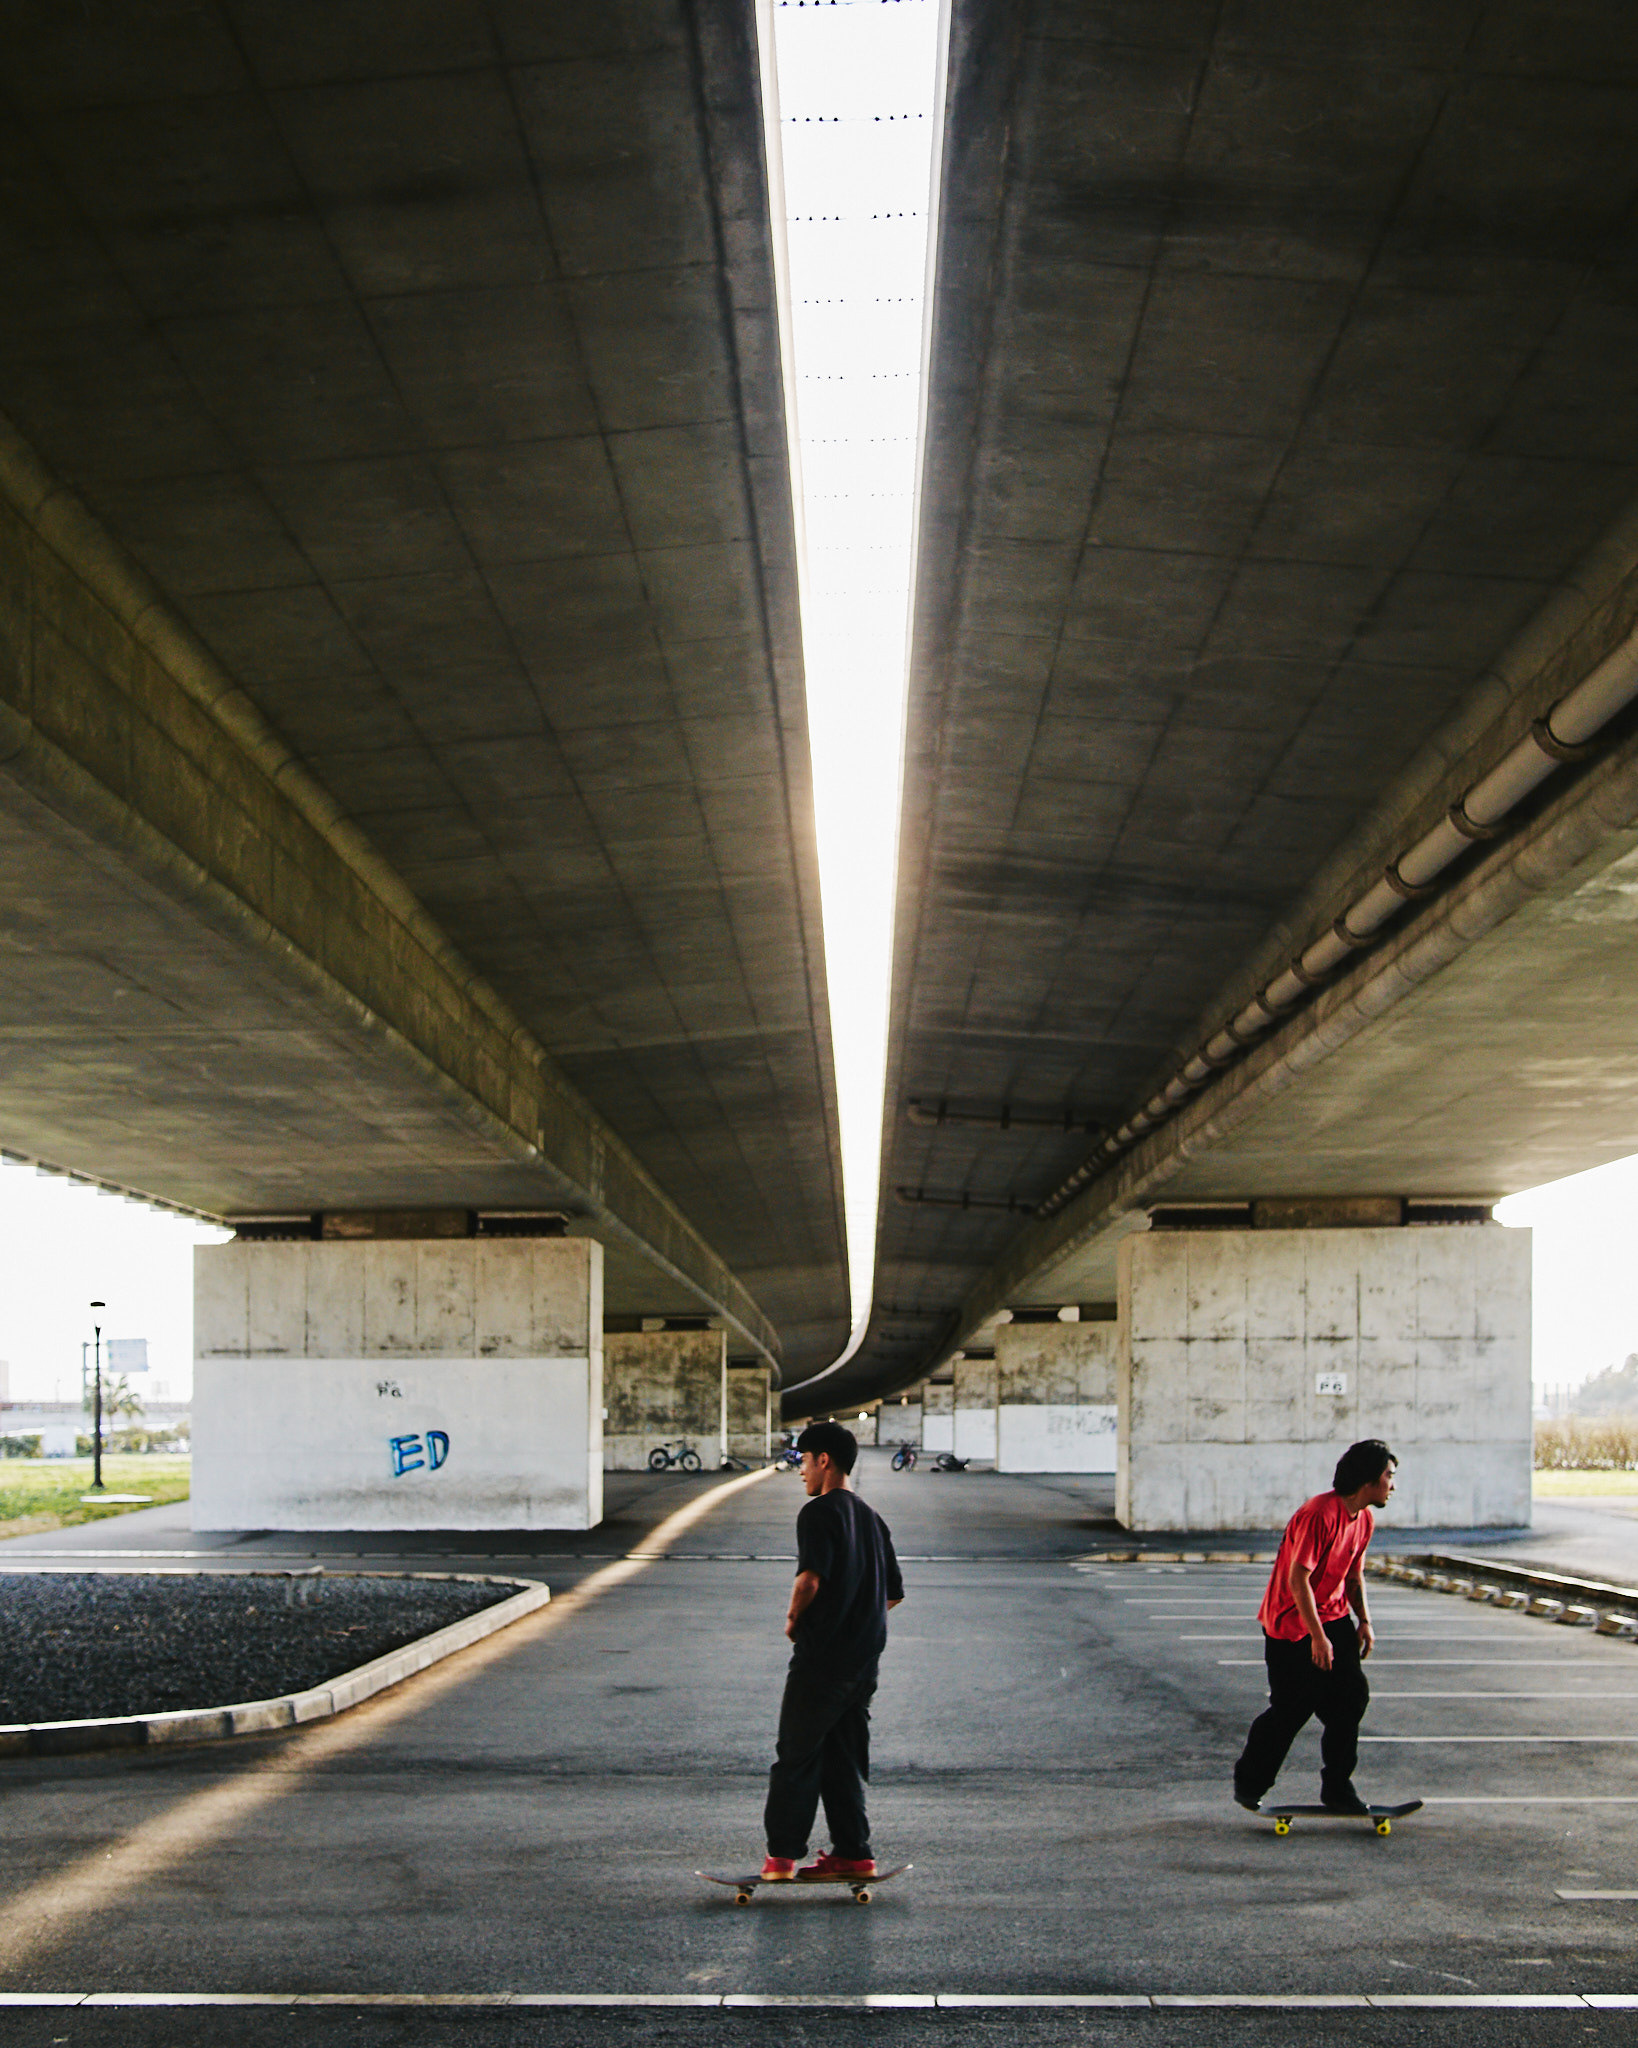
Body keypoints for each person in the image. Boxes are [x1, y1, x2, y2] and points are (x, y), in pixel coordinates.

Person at [761, 1421, 904, 1879]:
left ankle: (781, 1858)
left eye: (804, 1460)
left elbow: (809, 1580)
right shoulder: (872, 1518)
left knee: (797, 1756)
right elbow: (892, 1594)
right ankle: (854, 1854)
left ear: (824, 1460)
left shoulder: (818, 1512)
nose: (801, 1471)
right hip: (864, 1664)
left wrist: (794, 1620)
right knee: (844, 1759)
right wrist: (857, 1618)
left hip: (822, 1661)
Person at [1233, 1439, 1398, 1816]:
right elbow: (1298, 1579)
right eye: (1388, 1476)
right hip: (1290, 1623)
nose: (1393, 1485)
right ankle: (1250, 1782)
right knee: (1292, 1707)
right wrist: (1318, 1638)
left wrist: (1364, 1621)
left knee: (1351, 1698)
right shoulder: (1319, 1514)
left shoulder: (1364, 1520)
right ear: (1369, 1480)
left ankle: (1338, 1788)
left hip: (1333, 1617)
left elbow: (1353, 1576)